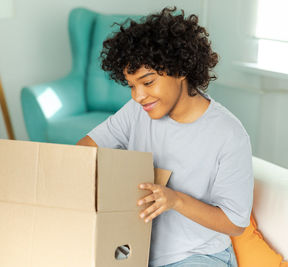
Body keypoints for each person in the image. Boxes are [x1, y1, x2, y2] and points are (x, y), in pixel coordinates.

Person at [76, 6, 253, 267]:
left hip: (196, 256)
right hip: (132, 251)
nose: (138, 96)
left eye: (147, 83)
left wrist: (175, 200)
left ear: (180, 70)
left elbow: (235, 223)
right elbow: (83, 151)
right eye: (132, 86)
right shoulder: (136, 112)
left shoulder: (228, 133)